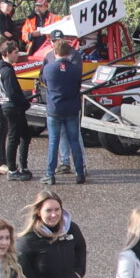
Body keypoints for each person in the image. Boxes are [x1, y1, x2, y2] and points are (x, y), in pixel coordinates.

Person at [0, 34, 33, 180]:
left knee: (14, 135)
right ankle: (5, 165)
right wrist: (24, 103)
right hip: (4, 105)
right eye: (15, 52)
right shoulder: (3, 69)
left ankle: (12, 165)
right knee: (8, 135)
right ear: (5, 50)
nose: (18, 55)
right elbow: (10, 92)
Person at [38, 34, 87, 185]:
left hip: (54, 108)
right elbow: (77, 85)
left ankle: (50, 174)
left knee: (53, 142)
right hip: (72, 107)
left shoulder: (48, 69)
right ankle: (80, 173)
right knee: (74, 141)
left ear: (55, 52)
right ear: (68, 52)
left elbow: (44, 81)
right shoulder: (75, 69)